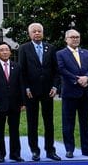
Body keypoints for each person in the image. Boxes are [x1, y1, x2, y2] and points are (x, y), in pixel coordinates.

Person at [17, 23, 61, 161]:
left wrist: (55, 87)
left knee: (49, 122)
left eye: (39, 31)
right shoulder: (24, 48)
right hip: (31, 91)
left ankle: (50, 150)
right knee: (32, 122)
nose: (37, 33)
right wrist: (26, 88)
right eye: (34, 31)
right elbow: (21, 71)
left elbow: (56, 70)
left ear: (43, 33)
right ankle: (35, 150)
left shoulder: (51, 48)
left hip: (48, 91)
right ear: (29, 34)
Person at [56, 29, 88, 159]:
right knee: (68, 123)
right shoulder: (60, 54)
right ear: (66, 39)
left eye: (77, 37)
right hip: (70, 92)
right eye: (72, 37)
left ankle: (86, 149)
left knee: (84, 123)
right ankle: (69, 149)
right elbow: (61, 69)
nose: (75, 39)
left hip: (85, 92)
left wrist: (86, 77)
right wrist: (77, 79)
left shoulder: (86, 52)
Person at [0, 42, 26, 163]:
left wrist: (23, 102)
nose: (5, 52)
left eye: (7, 50)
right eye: (1, 50)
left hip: (15, 104)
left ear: (10, 52)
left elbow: (21, 85)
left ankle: (15, 154)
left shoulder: (16, 66)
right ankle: (0, 154)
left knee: (15, 130)